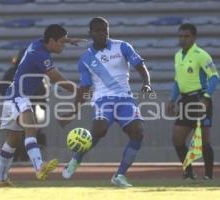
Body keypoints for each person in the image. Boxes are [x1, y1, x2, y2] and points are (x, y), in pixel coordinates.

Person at [59, 17, 152, 187]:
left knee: (138, 132)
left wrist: (146, 83)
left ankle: (120, 175)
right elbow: (85, 88)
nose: (102, 33)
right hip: (103, 100)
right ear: (91, 33)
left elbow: (140, 66)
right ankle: (75, 161)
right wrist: (73, 112)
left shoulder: (122, 46)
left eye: (105, 30)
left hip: (125, 99)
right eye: (98, 30)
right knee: (99, 130)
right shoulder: (86, 58)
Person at [0, 24, 86, 187]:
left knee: (13, 140)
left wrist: (67, 39)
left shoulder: (37, 44)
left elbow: (48, 38)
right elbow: (58, 79)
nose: (63, 45)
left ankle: (0, 179)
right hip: (18, 97)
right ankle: (39, 166)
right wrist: (79, 91)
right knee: (32, 127)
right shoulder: (41, 55)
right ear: (51, 40)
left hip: (14, 96)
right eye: (61, 42)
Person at [166, 23, 220, 180]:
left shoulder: (201, 55)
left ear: (194, 37)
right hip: (185, 101)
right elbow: (177, 81)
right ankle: (189, 171)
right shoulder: (177, 55)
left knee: (204, 142)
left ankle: (209, 176)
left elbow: (215, 77)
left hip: (199, 99)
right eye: (180, 36)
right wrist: (172, 99)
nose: (182, 39)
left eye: (186, 36)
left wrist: (206, 98)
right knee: (177, 139)